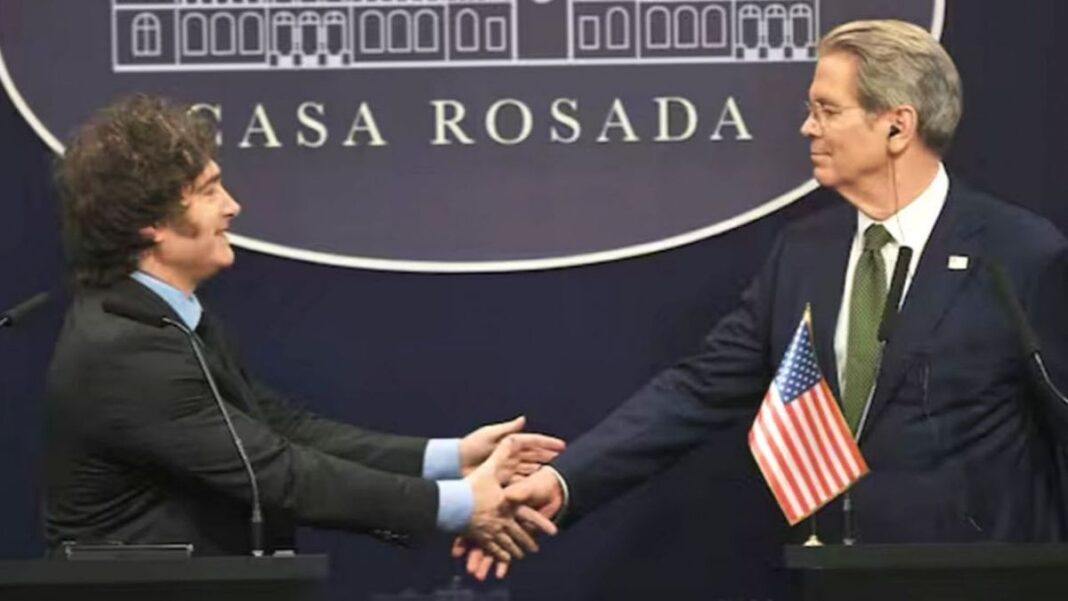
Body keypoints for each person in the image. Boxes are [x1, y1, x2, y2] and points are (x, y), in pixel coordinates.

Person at [459, 19, 1068, 579]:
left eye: (827, 110)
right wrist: (564, 482)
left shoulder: (1019, 253)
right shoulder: (804, 253)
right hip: (836, 578)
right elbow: (697, 389)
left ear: (896, 126)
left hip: (983, 581)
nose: (808, 127)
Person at [44, 94, 562, 558]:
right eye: (209, 191)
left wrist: (451, 458)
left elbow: (286, 431)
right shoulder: (125, 348)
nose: (232, 206)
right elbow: (275, 472)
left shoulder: (161, 321)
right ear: (151, 224)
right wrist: (458, 503)